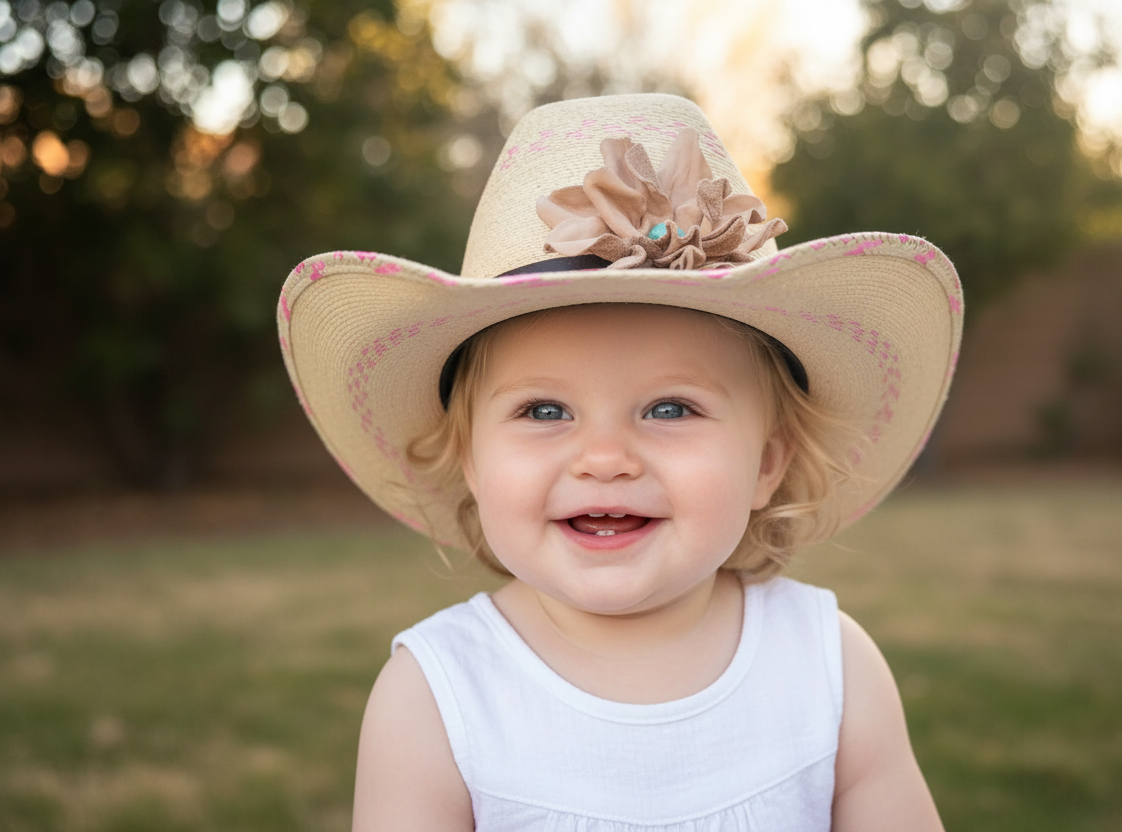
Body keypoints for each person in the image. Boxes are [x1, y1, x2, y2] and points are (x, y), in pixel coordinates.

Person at [277, 93, 963, 831]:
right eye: (544, 412)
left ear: (766, 464)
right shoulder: (434, 700)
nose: (604, 459)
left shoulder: (830, 670)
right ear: (471, 462)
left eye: (670, 409)